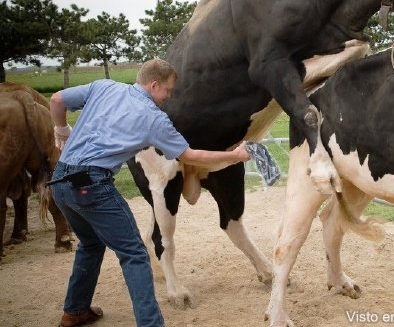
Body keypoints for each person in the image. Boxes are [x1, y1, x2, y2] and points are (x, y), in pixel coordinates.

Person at [49, 59, 251, 327]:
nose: (168, 97)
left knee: (91, 244)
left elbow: (57, 99)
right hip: (92, 185)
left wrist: (61, 129)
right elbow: (191, 155)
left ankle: (75, 311)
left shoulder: (104, 87)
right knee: (134, 254)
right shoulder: (154, 119)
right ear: (154, 84)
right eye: (167, 90)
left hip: (61, 180)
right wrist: (235, 156)